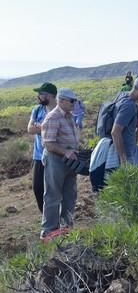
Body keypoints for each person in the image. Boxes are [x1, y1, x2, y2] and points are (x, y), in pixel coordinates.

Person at [40, 88, 80, 241]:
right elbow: (48, 144)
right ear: (62, 101)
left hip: (70, 161)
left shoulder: (69, 116)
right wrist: (66, 152)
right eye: (72, 101)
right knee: (53, 195)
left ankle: (66, 228)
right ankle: (48, 231)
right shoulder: (53, 117)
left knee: (70, 195)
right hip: (56, 160)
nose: (74, 104)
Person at [28, 82, 58, 213]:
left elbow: (60, 131)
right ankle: (46, 217)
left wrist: (39, 126)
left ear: (50, 96)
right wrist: (47, 127)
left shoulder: (60, 111)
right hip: (39, 156)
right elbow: (30, 129)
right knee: (38, 188)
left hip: (55, 155)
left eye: (41, 94)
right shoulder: (37, 109)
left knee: (55, 189)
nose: (38, 96)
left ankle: (58, 220)